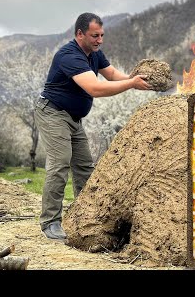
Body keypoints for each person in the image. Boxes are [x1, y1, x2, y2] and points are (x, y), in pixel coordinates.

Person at [35, 12, 152, 241]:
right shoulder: (69, 55)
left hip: (73, 118)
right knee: (60, 163)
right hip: (53, 112)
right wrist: (131, 84)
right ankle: (50, 222)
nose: (100, 40)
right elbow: (95, 89)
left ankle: (83, 215)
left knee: (84, 167)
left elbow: (112, 75)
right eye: (94, 35)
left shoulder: (94, 53)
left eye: (102, 35)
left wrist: (134, 79)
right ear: (80, 34)